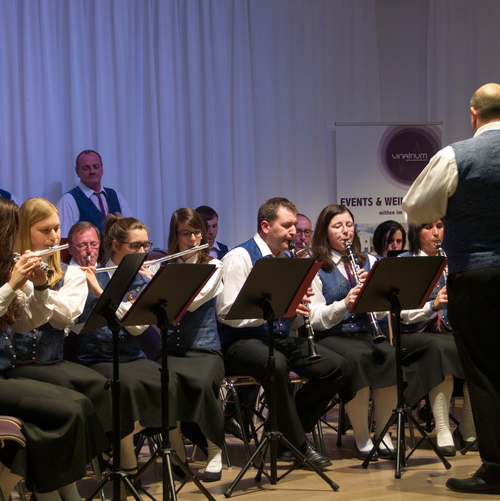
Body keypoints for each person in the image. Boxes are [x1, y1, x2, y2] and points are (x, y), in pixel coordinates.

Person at [403, 83, 500, 494]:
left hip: (476, 273)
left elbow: (416, 208)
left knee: (486, 372)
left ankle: (497, 471)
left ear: (473, 114)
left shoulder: (456, 155)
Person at [0, 194, 109, 499]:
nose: (14, 238)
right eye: (11, 230)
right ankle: (1, 483)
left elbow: (26, 323)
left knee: (78, 404)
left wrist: (40, 287)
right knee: (62, 413)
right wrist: (11, 285)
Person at [215, 197, 348, 469]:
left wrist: (299, 308)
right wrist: (279, 308)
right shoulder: (240, 257)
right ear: (266, 226)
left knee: (338, 367)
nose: (293, 232)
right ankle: (298, 445)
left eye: (294, 226)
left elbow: (292, 318)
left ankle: (283, 435)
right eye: (287, 226)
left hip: (278, 340)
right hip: (240, 343)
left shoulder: (288, 260)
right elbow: (227, 312)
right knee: (275, 365)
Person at [72, 215, 177, 482]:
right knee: (123, 389)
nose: (143, 252)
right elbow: (73, 324)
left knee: (168, 381)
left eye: (145, 245)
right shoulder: (90, 274)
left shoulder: (140, 279)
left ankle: (116, 443)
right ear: (116, 245)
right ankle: (128, 467)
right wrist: (92, 288)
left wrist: (101, 294)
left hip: (131, 355)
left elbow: (137, 327)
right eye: (135, 246)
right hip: (95, 357)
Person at [6, 198, 113, 443]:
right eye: (45, 230)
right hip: (11, 365)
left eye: (56, 228)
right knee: (68, 402)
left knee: (100, 386)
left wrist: (35, 286)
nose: (54, 237)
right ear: (24, 231)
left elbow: (65, 317)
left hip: (50, 361)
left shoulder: (72, 274)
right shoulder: (7, 269)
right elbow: (18, 320)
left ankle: (105, 454)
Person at [307, 204, 398, 460]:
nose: (345, 231)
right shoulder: (316, 267)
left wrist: (373, 295)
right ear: (324, 232)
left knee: (390, 355)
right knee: (358, 359)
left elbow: (382, 314)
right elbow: (315, 319)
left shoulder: (369, 261)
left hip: (364, 333)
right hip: (331, 336)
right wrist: (345, 303)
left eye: (349, 225)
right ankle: (361, 435)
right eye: (337, 226)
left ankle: (383, 432)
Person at [146, 208, 225, 481]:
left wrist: (154, 282)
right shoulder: (161, 267)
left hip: (205, 350)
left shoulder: (213, 267)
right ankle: (177, 453)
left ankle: (214, 451)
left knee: (202, 384)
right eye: (185, 234)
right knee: (162, 385)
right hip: (171, 351)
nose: (192, 239)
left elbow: (189, 303)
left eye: (196, 233)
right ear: (175, 236)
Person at [398, 220, 476, 456]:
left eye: (440, 226)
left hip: (449, 333)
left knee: (478, 350)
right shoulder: (405, 262)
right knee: (441, 349)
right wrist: (433, 305)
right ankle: (443, 429)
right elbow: (401, 314)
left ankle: (467, 427)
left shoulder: (453, 261)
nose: (435, 233)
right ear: (416, 232)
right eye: (428, 227)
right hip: (413, 334)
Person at [57, 150, 131, 234]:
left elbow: (131, 231)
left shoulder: (116, 196)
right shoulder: (67, 202)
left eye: (96, 167)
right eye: (86, 168)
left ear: (102, 169)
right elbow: (65, 238)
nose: (92, 171)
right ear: (77, 171)